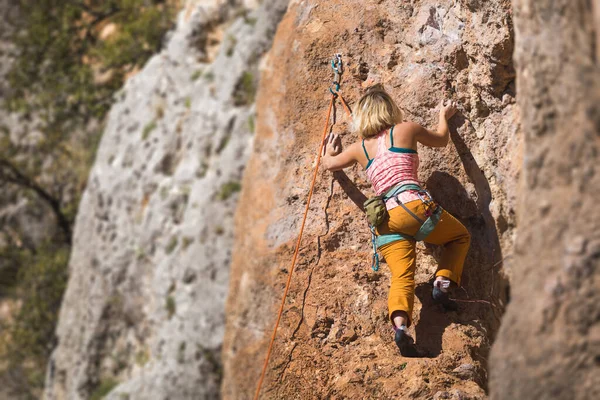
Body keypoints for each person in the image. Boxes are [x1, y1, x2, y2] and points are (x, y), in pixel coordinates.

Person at [321, 84, 471, 357]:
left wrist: (329, 152)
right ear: (390, 110)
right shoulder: (405, 129)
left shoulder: (359, 149)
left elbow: (329, 165)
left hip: (385, 221)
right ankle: (442, 281)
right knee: (459, 237)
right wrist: (443, 115)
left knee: (401, 277)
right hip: (413, 206)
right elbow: (441, 139)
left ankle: (401, 328)